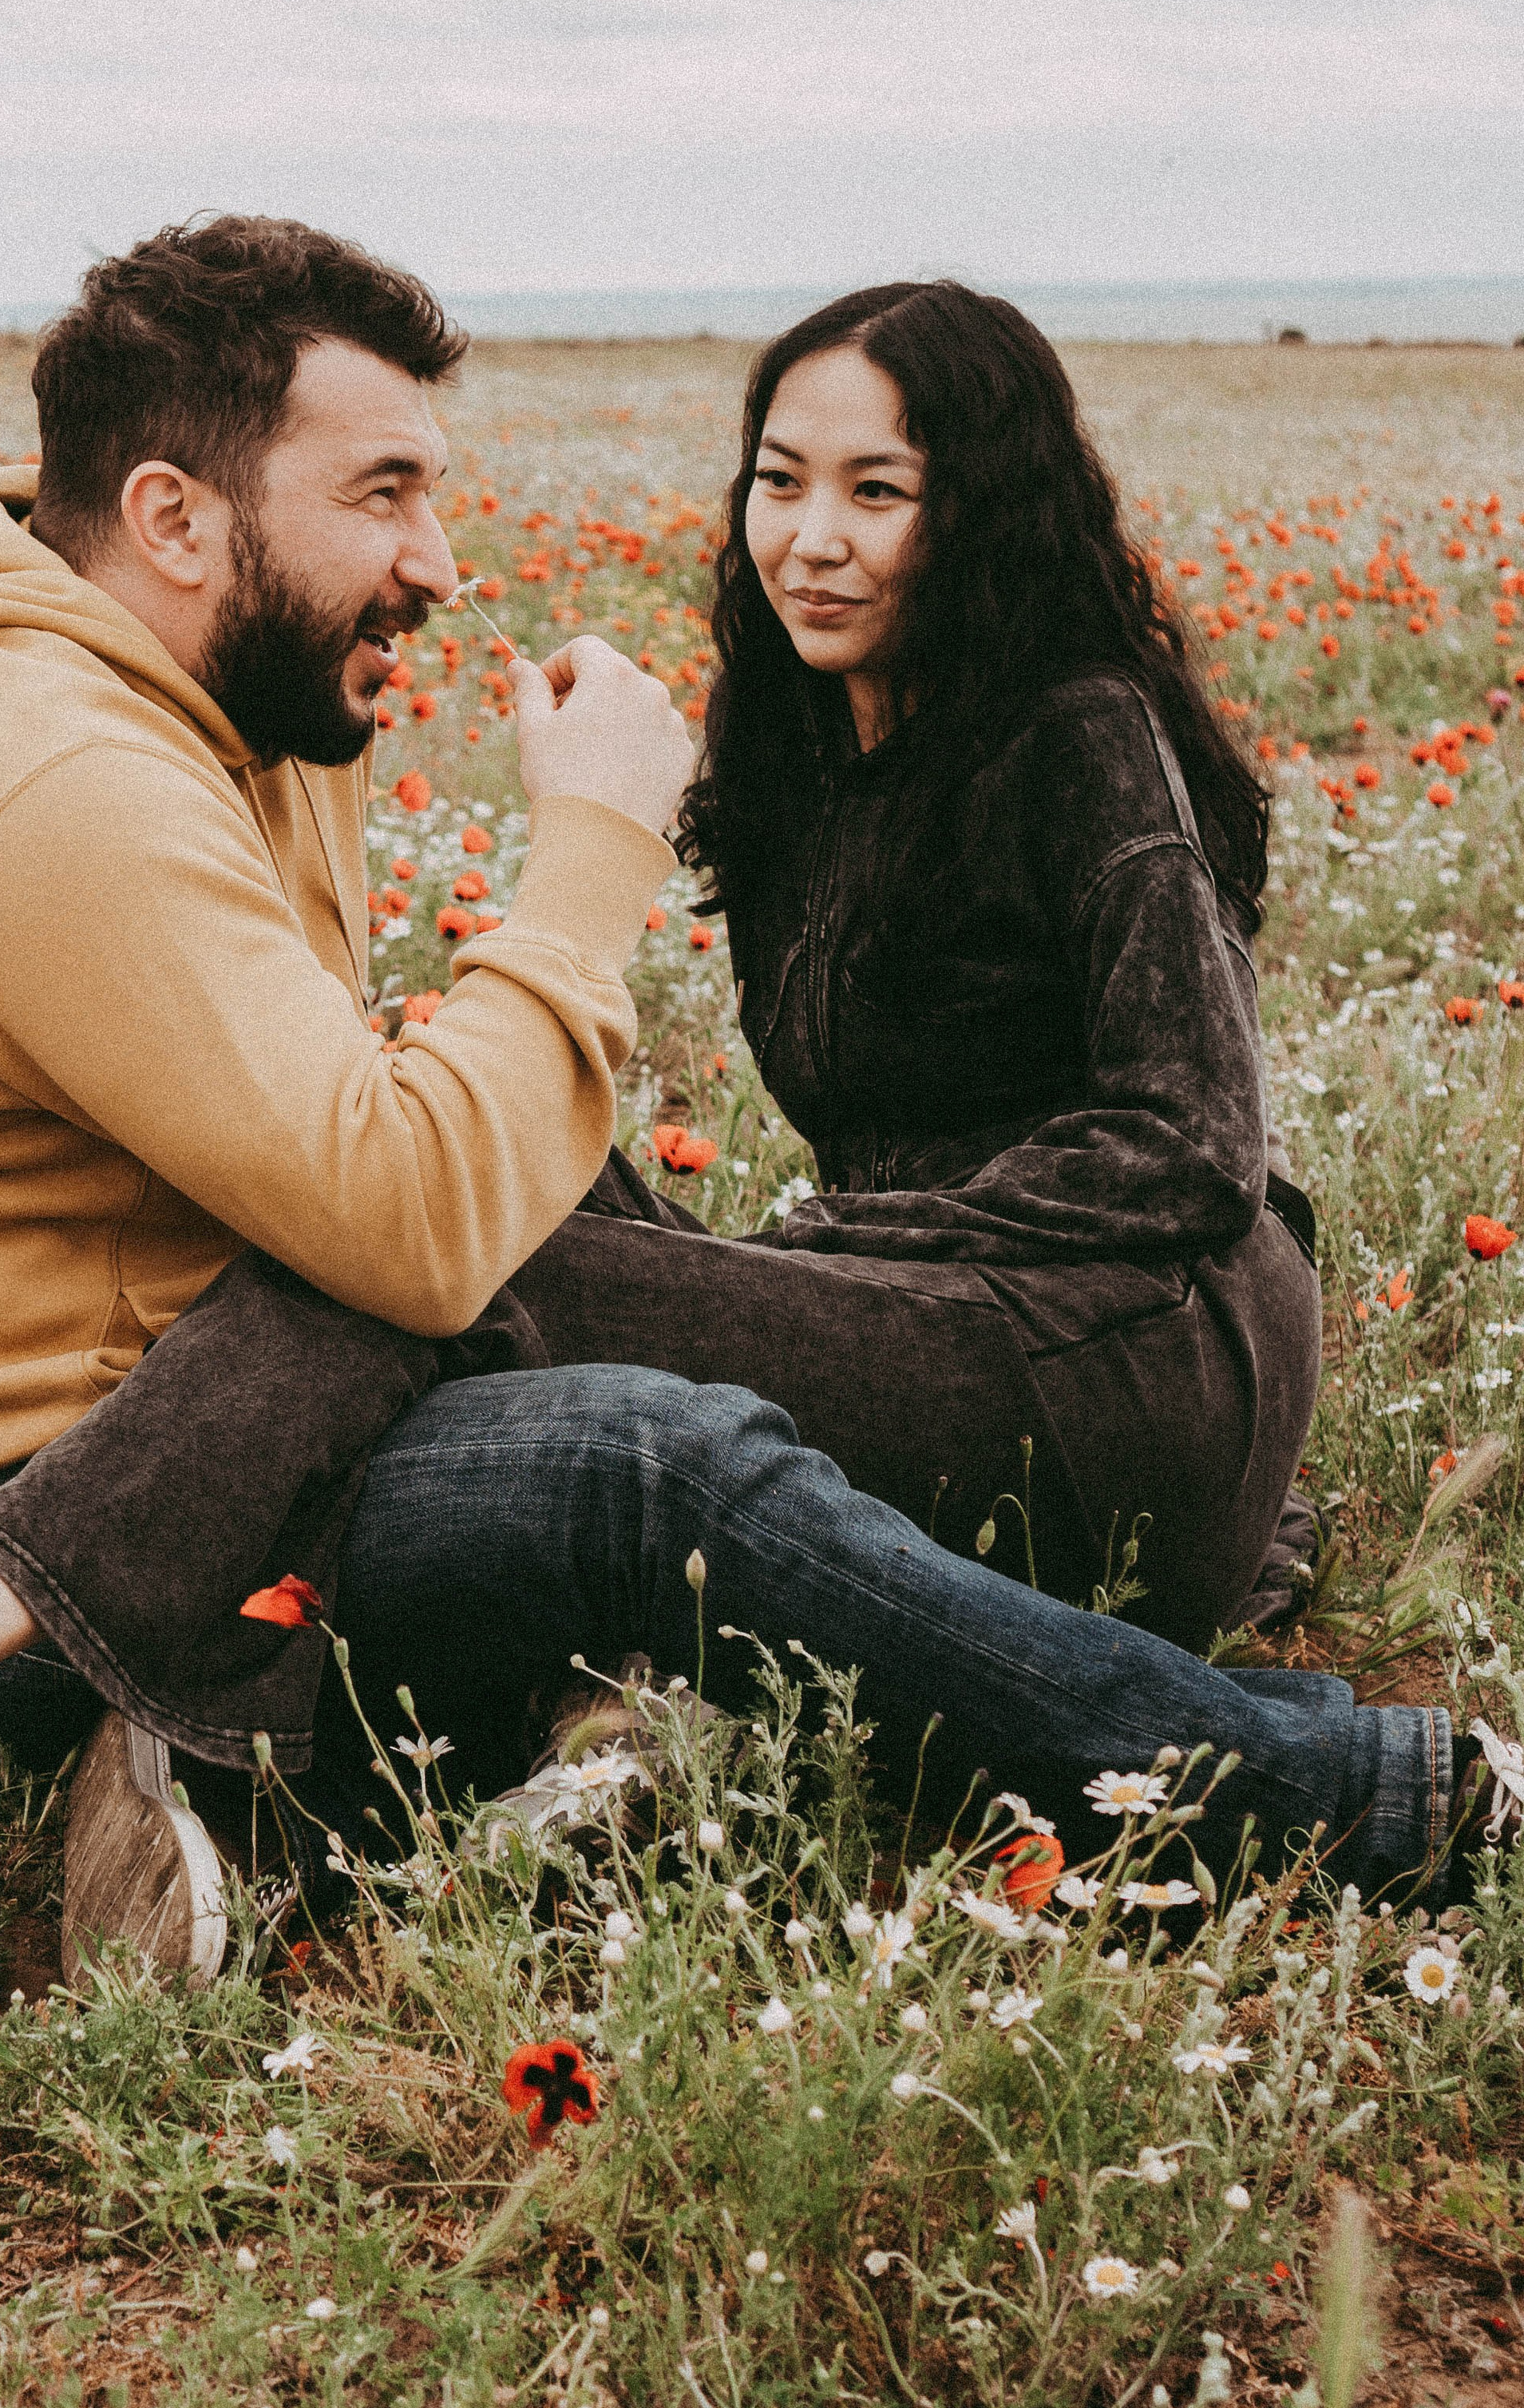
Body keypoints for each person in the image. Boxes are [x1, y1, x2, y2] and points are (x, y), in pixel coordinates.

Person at [0, 224, 1505, 1974]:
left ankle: (2, 1681)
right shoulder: (63, 775)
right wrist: (583, 873)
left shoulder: (192, 715)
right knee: (619, 1425)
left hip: (1063, 1342)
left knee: (542, 1246)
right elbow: (406, 1220)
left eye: (873, 490)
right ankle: (68, 1705)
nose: (441, 563)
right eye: (382, 498)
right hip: (115, 1499)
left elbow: (1179, 1146)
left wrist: (785, 1254)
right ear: (176, 523)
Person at [505, 281, 1319, 1654]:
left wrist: (820, 1249)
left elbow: (1192, 1143)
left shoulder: (1079, 732)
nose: (811, 542)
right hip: (929, 1324)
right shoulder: (800, 748)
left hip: (1133, 1351)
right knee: (464, 1149)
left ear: (983, 512)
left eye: (876, 492)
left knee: (491, 1267)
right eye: (780, 484)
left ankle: (86, 1612)